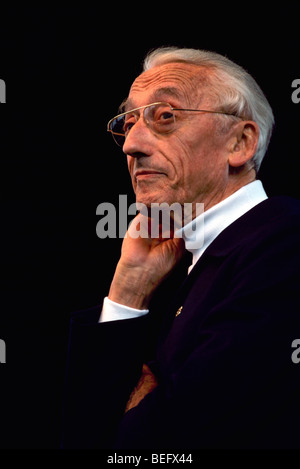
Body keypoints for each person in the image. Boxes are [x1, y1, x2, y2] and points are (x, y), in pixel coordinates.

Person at [61, 47, 300, 449]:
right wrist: (129, 289)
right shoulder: (184, 261)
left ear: (240, 143)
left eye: (165, 116)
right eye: (129, 122)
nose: (130, 146)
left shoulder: (285, 243)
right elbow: (82, 438)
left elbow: (171, 443)